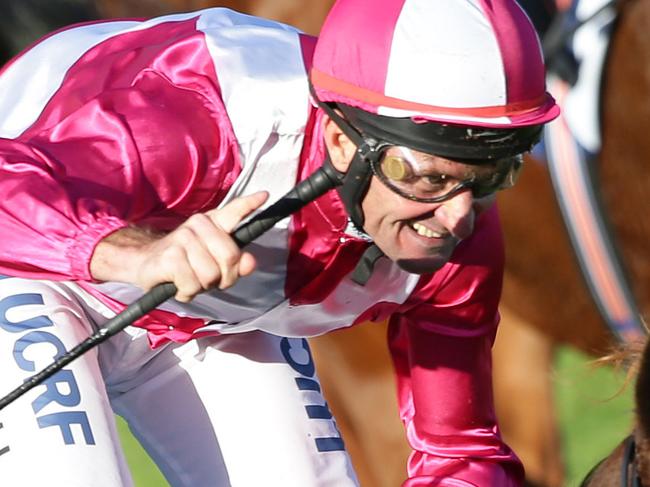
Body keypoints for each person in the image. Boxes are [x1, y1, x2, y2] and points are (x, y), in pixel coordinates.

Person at [0, 0, 559, 485]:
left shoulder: (459, 228)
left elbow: (459, 451)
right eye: (427, 177)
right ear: (344, 143)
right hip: (38, 272)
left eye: (490, 174)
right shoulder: (206, 116)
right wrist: (135, 253)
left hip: (205, 316)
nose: (458, 217)